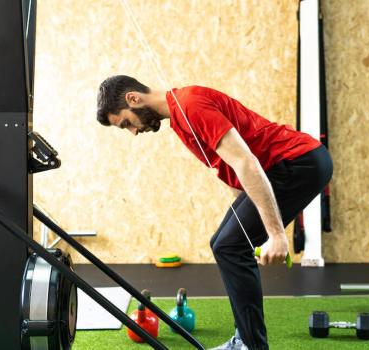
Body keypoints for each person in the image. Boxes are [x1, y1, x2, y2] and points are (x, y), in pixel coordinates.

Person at [96, 75, 333, 350]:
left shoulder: (191, 106)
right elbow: (234, 170)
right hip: (287, 166)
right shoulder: (180, 119)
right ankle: (244, 339)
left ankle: (251, 346)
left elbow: (246, 162)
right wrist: (246, 219)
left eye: (126, 123)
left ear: (133, 99)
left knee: (230, 245)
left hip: (298, 162)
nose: (133, 132)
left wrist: (276, 234)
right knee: (224, 243)